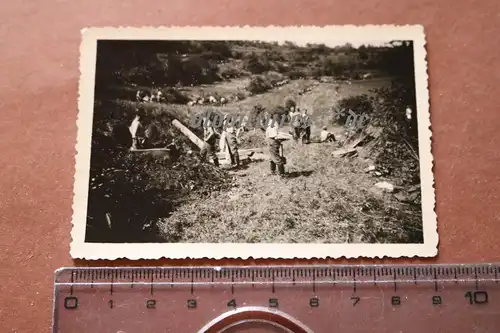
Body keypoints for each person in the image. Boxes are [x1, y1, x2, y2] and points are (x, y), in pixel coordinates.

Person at [264, 111, 286, 177]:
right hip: (270, 140)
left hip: (273, 140)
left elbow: (275, 134)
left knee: (276, 158)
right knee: (271, 157)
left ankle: (282, 174)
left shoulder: (273, 122)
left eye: (266, 116)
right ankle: (273, 171)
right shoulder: (268, 123)